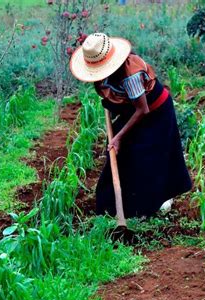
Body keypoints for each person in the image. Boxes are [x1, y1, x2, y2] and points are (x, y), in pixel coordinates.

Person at [69, 33, 192, 218]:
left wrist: (118, 136)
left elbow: (143, 110)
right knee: (120, 154)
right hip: (134, 111)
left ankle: (148, 207)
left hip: (156, 112)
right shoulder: (108, 74)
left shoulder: (130, 76)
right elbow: (115, 96)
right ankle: (112, 206)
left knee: (146, 157)